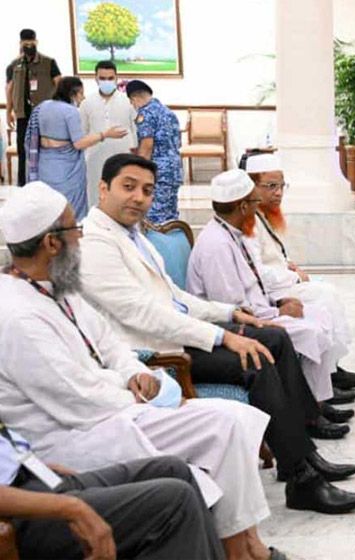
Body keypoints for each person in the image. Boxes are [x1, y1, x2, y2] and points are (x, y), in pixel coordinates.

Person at [0, 181, 288, 558]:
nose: (81, 239)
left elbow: (110, 346)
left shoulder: (56, 286)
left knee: (233, 419)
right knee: (225, 424)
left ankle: (242, 546)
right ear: (52, 243)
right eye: (75, 229)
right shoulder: (16, 315)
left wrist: (135, 373)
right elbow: (77, 398)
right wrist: (138, 393)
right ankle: (241, 549)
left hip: (112, 410)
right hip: (75, 433)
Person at [79, 154, 355, 504]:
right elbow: (140, 313)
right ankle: (301, 480)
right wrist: (222, 334)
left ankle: (305, 452)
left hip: (178, 335)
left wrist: (231, 313)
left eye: (147, 190)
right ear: (103, 188)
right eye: (129, 187)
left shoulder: (132, 236)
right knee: (256, 359)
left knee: (274, 337)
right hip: (156, 353)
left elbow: (176, 297)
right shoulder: (94, 242)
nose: (139, 197)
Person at [187, 169, 355, 409]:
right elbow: (232, 308)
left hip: (259, 311)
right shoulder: (216, 246)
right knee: (310, 331)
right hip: (234, 326)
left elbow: (253, 285)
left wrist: (279, 303)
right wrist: (278, 313)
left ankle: (317, 398)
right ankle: (313, 408)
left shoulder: (232, 233)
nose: (258, 209)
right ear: (242, 207)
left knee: (320, 314)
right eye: (255, 202)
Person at [242, 151, 355, 391]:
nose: (278, 193)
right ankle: (328, 376)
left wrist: (290, 266)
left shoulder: (265, 215)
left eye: (281, 186)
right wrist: (295, 277)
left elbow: (275, 254)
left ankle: (331, 370)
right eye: (271, 186)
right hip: (271, 293)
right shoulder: (248, 222)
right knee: (324, 296)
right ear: (252, 187)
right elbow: (258, 272)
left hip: (282, 282)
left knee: (327, 294)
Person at [1, 428, 226, 560]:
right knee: (174, 501)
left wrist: (28, 462)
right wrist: (71, 508)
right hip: (15, 510)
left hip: (30, 474)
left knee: (173, 469)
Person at [24, 77, 126, 218]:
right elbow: (79, 143)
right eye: (81, 93)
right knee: (68, 209)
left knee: (47, 206)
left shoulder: (42, 107)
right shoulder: (70, 111)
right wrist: (105, 134)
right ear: (73, 94)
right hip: (65, 169)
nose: (83, 97)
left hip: (44, 165)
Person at [5, 28, 61, 186]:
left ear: (36, 42)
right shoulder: (14, 65)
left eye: (31, 43)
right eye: (25, 43)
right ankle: (24, 187)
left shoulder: (48, 62)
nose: (29, 46)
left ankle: (47, 185)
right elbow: (9, 89)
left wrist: (58, 108)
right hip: (23, 115)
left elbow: (59, 83)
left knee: (45, 150)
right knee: (23, 152)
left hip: (44, 115)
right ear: (20, 44)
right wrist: (8, 112)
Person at [80, 60, 135, 209]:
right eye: (102, 78)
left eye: (110, 78)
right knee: (96, 198)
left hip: (123, 159)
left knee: (123, 198)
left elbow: (135, 131)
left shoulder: (128, 102)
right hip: (95, 160)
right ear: (96, 78)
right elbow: (82, 134)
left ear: (116, 78)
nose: (106, 81)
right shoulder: (87, 103)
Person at [126, 79, 181, 223]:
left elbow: (147, 145)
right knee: (170, 214)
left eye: (131, 102)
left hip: (158, 171)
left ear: (134, 98)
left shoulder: (146, 114)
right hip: (174, 169)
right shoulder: (168, 112)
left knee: (155, 217)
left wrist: (139, 171)